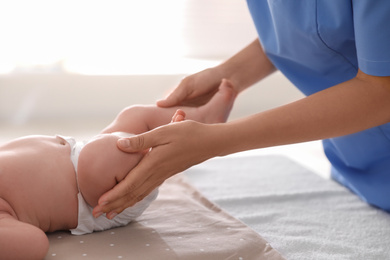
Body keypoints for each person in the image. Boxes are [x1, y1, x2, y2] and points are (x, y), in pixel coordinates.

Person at [93, 1, 390, 220]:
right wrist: (229, 76)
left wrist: (217, 140)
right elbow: (308, 23)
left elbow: (382, 92)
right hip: (354, 163)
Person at [0, 81, 237, 260]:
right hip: (100, 196)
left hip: (82, 150)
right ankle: (165, 151)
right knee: (103, 156)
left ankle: (203, 118)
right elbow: (34, 244)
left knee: (134, 116)